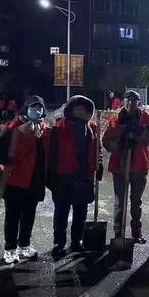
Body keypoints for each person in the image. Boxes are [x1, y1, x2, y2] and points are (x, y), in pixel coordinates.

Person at [0, 96, 50, 264]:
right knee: (13, 216)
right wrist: (21, 133)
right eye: (34, 107)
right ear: (26, 109)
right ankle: (10, 248)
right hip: (13, 180)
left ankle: (24, 244)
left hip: (34, 180)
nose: (37, 111)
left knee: (29, 214)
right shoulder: (12, 128)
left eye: (40, 108)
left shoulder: (44, 130)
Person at [103, 90, 149, 244]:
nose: (130, 103)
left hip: (139, 166)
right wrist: (120, 143)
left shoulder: (146, 118)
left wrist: (141, 134)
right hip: (120, 167)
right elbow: (106, 141)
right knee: (120, 201)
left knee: (136, 201)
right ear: (123, 102)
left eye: (134, 100)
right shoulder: (115, 119)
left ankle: (136, 232)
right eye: (127, 100)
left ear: (138, 103)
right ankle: (118, 233)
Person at [48, 96, 99, 257]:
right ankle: (59, 243)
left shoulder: (91, 128)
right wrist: (51, 175)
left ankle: (77, 241)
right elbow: (52, 152)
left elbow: (97, 149)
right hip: (64, 176)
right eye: (77, 108)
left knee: (80, 212)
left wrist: (99, 163)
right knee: (61, 212)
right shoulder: (60, 127)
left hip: (84, 176)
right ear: (70, 109)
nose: (80, 111)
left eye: (84, 109)